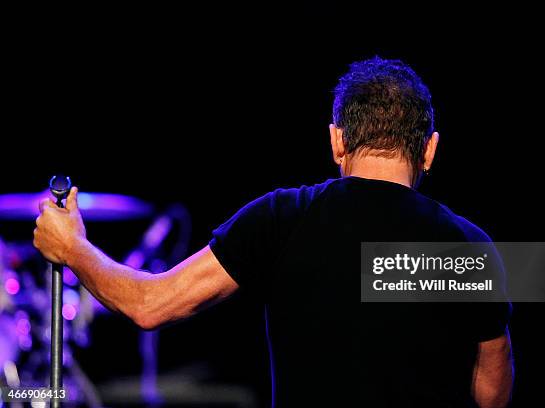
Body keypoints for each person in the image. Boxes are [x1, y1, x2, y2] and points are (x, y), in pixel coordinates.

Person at [33, 57, 513, 407]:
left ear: (337, 141)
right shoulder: (468, 248)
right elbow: (492, 391)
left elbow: (150, 304)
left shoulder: (284, 216)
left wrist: (72, 246)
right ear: (429, 150)